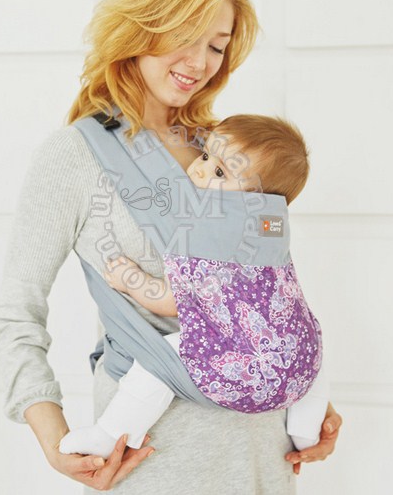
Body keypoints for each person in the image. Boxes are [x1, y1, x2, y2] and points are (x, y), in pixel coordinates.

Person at [0, 0, 342, 493]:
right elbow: (16, 313)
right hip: (155, 461)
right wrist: (54, 439)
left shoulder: (228, 151)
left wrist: (305, 394)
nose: (199, 62)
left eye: (217, 46)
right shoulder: (76, 156)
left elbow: (262, 295)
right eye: (185, 35)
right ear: (141, 27)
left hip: (262, 457)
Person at [58, 114, 329, 460]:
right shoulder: (271, 227)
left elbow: (175, 302)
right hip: (298, 363)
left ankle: (110, 433)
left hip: (244, 368)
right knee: (311, 347)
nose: (199, 170)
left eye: (219, 172)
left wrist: (131, 281)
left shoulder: (211, 232)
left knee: (160, 361)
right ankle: (306, 433)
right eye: (204, 156)